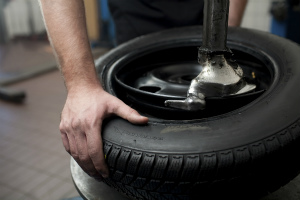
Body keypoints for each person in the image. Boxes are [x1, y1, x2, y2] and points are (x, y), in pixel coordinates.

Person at [38, 0, 248, 179]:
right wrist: (81, 86)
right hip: (137, 14)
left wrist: (225, 32)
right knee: (139, 116)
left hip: (208, 11)